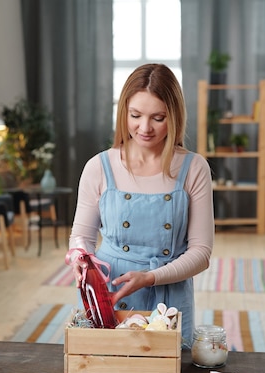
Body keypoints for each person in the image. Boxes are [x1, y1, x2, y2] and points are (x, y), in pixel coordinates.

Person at [68, 63, 214, 347]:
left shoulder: (194, 168)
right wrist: (81, 260)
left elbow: (201, 252)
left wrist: (150, 277)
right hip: (109, 293)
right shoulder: (99, 166)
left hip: (167, 297)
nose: (144, 128)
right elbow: (81, 237)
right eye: (135, 115)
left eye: (158, 118)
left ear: (175, 116)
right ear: (124, 112)